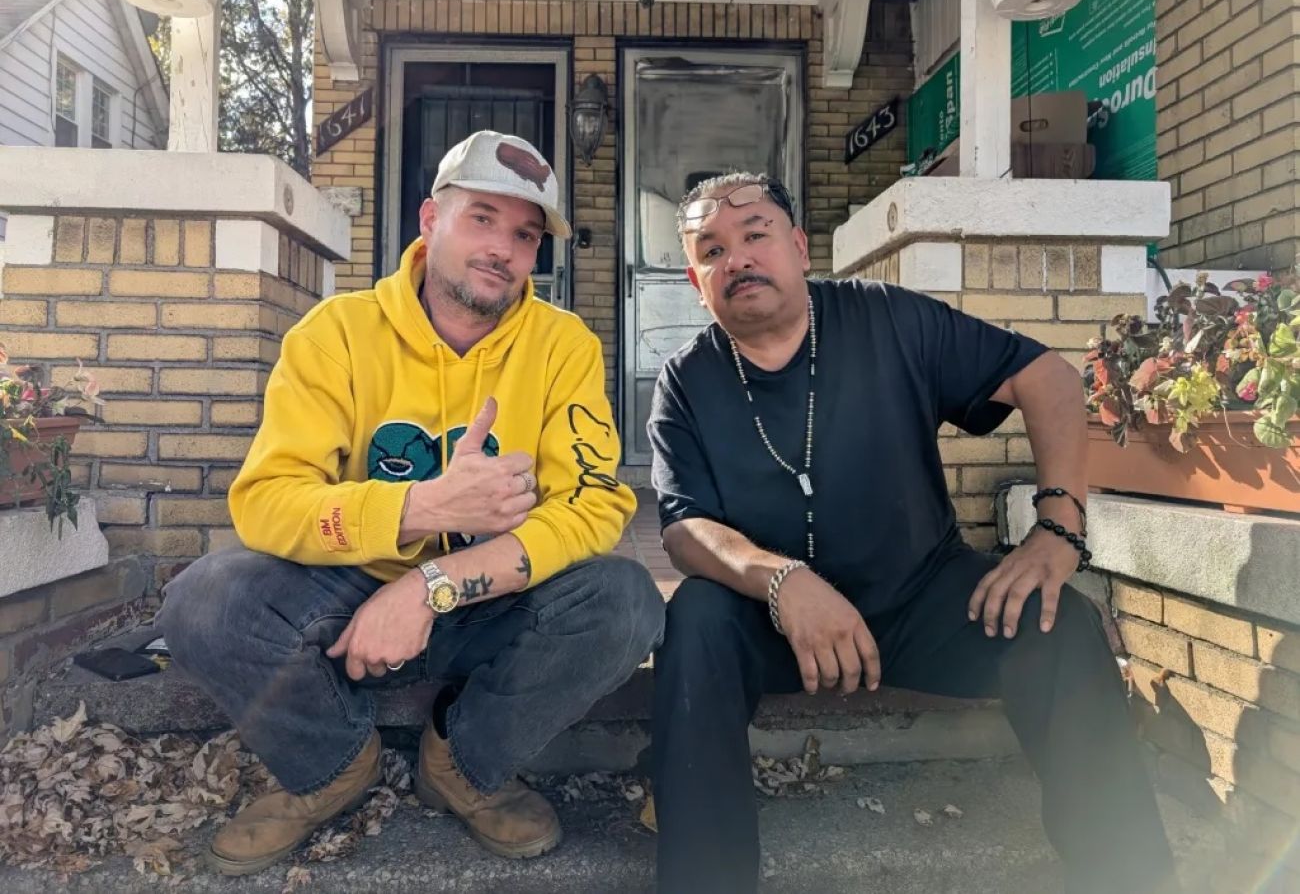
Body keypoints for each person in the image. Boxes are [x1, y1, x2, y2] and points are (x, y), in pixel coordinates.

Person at [647, 173, 1178, 894]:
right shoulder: (687, 379)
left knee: (1058, 621)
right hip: (772, 624)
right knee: (696, 620)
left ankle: (1130, 875)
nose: (736, 257)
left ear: (799, 247)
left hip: (920, 598)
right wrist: (783, 581)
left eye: (755, 233)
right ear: (694, 278)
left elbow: (1048, 376)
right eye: (711, 248)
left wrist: (1058, 523)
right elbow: (684, 529)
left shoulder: (887, 319)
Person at [159, 130, 664, 876]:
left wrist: (432, 584)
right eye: (482, 218)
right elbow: (266, 501)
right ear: (430, 220)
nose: (504, 248)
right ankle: (332, 765)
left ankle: (460, 762)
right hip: (347, 593)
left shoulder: (565, 347)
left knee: (624, 601)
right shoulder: (336, 333)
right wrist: (420, 507)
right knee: (203, 599)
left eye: (525, 234)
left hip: (491, 596)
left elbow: (594, 504)